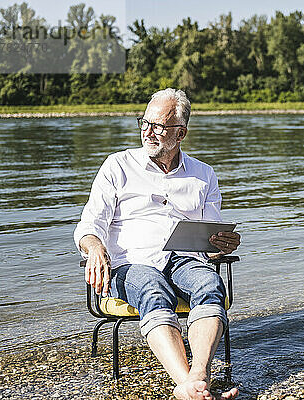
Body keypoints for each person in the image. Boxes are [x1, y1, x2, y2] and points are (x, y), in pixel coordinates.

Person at [74, 88, 240, 400]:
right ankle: (187, 386)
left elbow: (210, 241)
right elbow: (89, 224)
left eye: (159, 127)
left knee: (209, 282)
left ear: (181, 133)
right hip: (130, 263)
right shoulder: (117, 166)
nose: (148, 132)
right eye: (145, 123)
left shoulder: (203, 175)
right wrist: (95, 247)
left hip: (184, 260)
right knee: (152, 287)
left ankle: (198, 374)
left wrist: (222, 244)